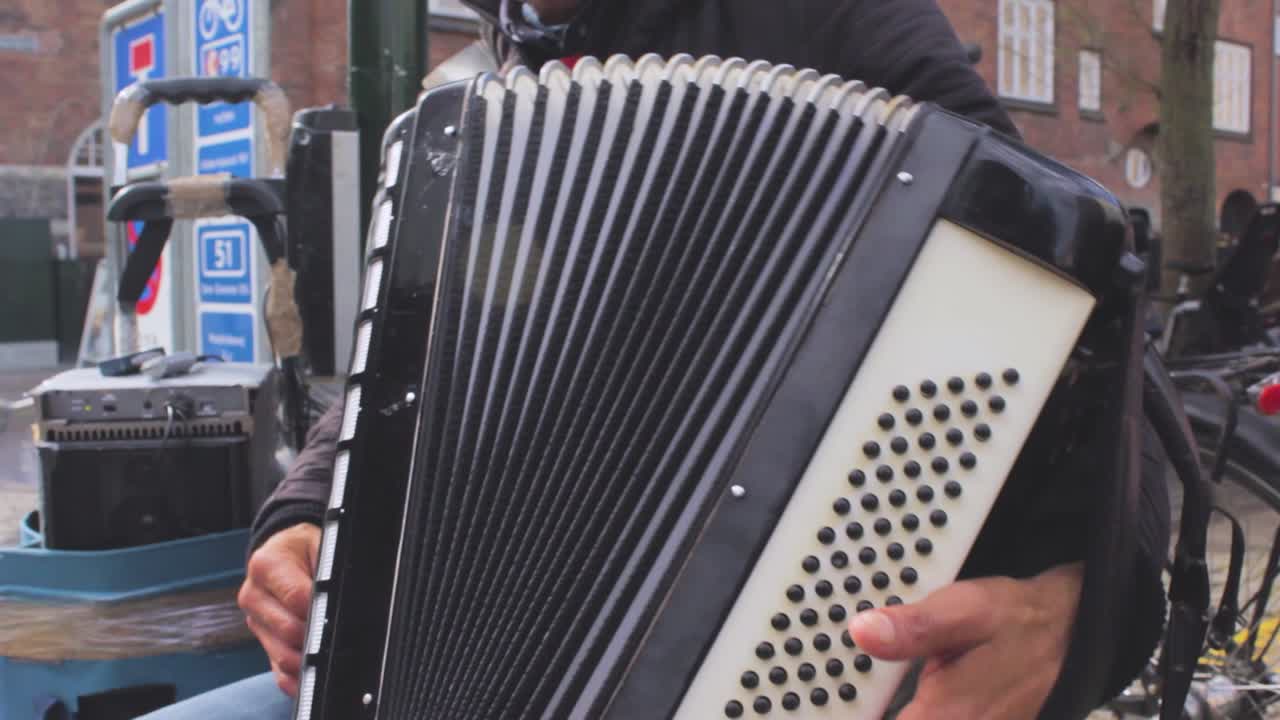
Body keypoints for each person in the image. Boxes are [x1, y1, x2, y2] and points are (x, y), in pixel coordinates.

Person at [142, 1, 1171, 718]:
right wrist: (303, 518)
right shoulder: (477, 102)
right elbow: (418, 358)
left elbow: (1070, 301)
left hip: (785, 653)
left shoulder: (831, 22)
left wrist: (1075, 605)